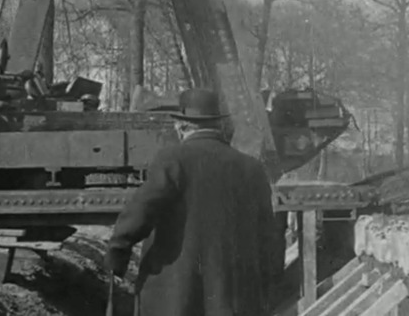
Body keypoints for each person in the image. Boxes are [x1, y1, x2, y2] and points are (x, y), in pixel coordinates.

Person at [105, 88, 279, 316]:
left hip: (178, 297)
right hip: (236, 299)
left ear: (181, 126)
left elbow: (141, 211)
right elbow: (268, 236)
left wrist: (117, 254)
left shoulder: (172, 160)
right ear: (218, 125)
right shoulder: (252, 169)